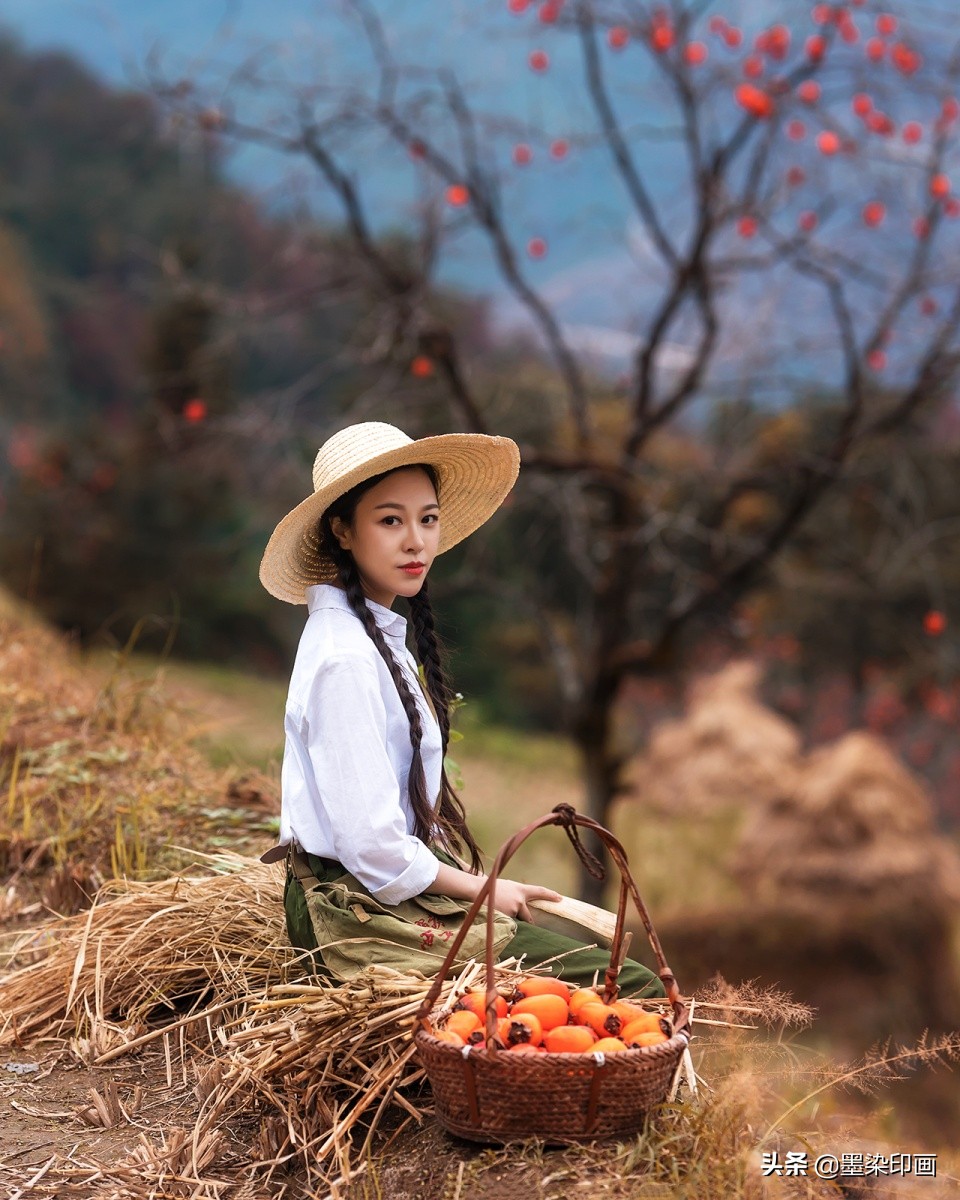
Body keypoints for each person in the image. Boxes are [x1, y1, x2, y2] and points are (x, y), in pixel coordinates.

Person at [258, 421, 664, 998]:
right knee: (629, 989)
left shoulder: (370, 635)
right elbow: (372, 848)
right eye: (390, 520)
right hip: (353, 914)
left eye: (427, 518)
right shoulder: (344, 656)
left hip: (378, 894)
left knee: (595, 975)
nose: (416, 541)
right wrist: (487, 888)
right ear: (343, 531)